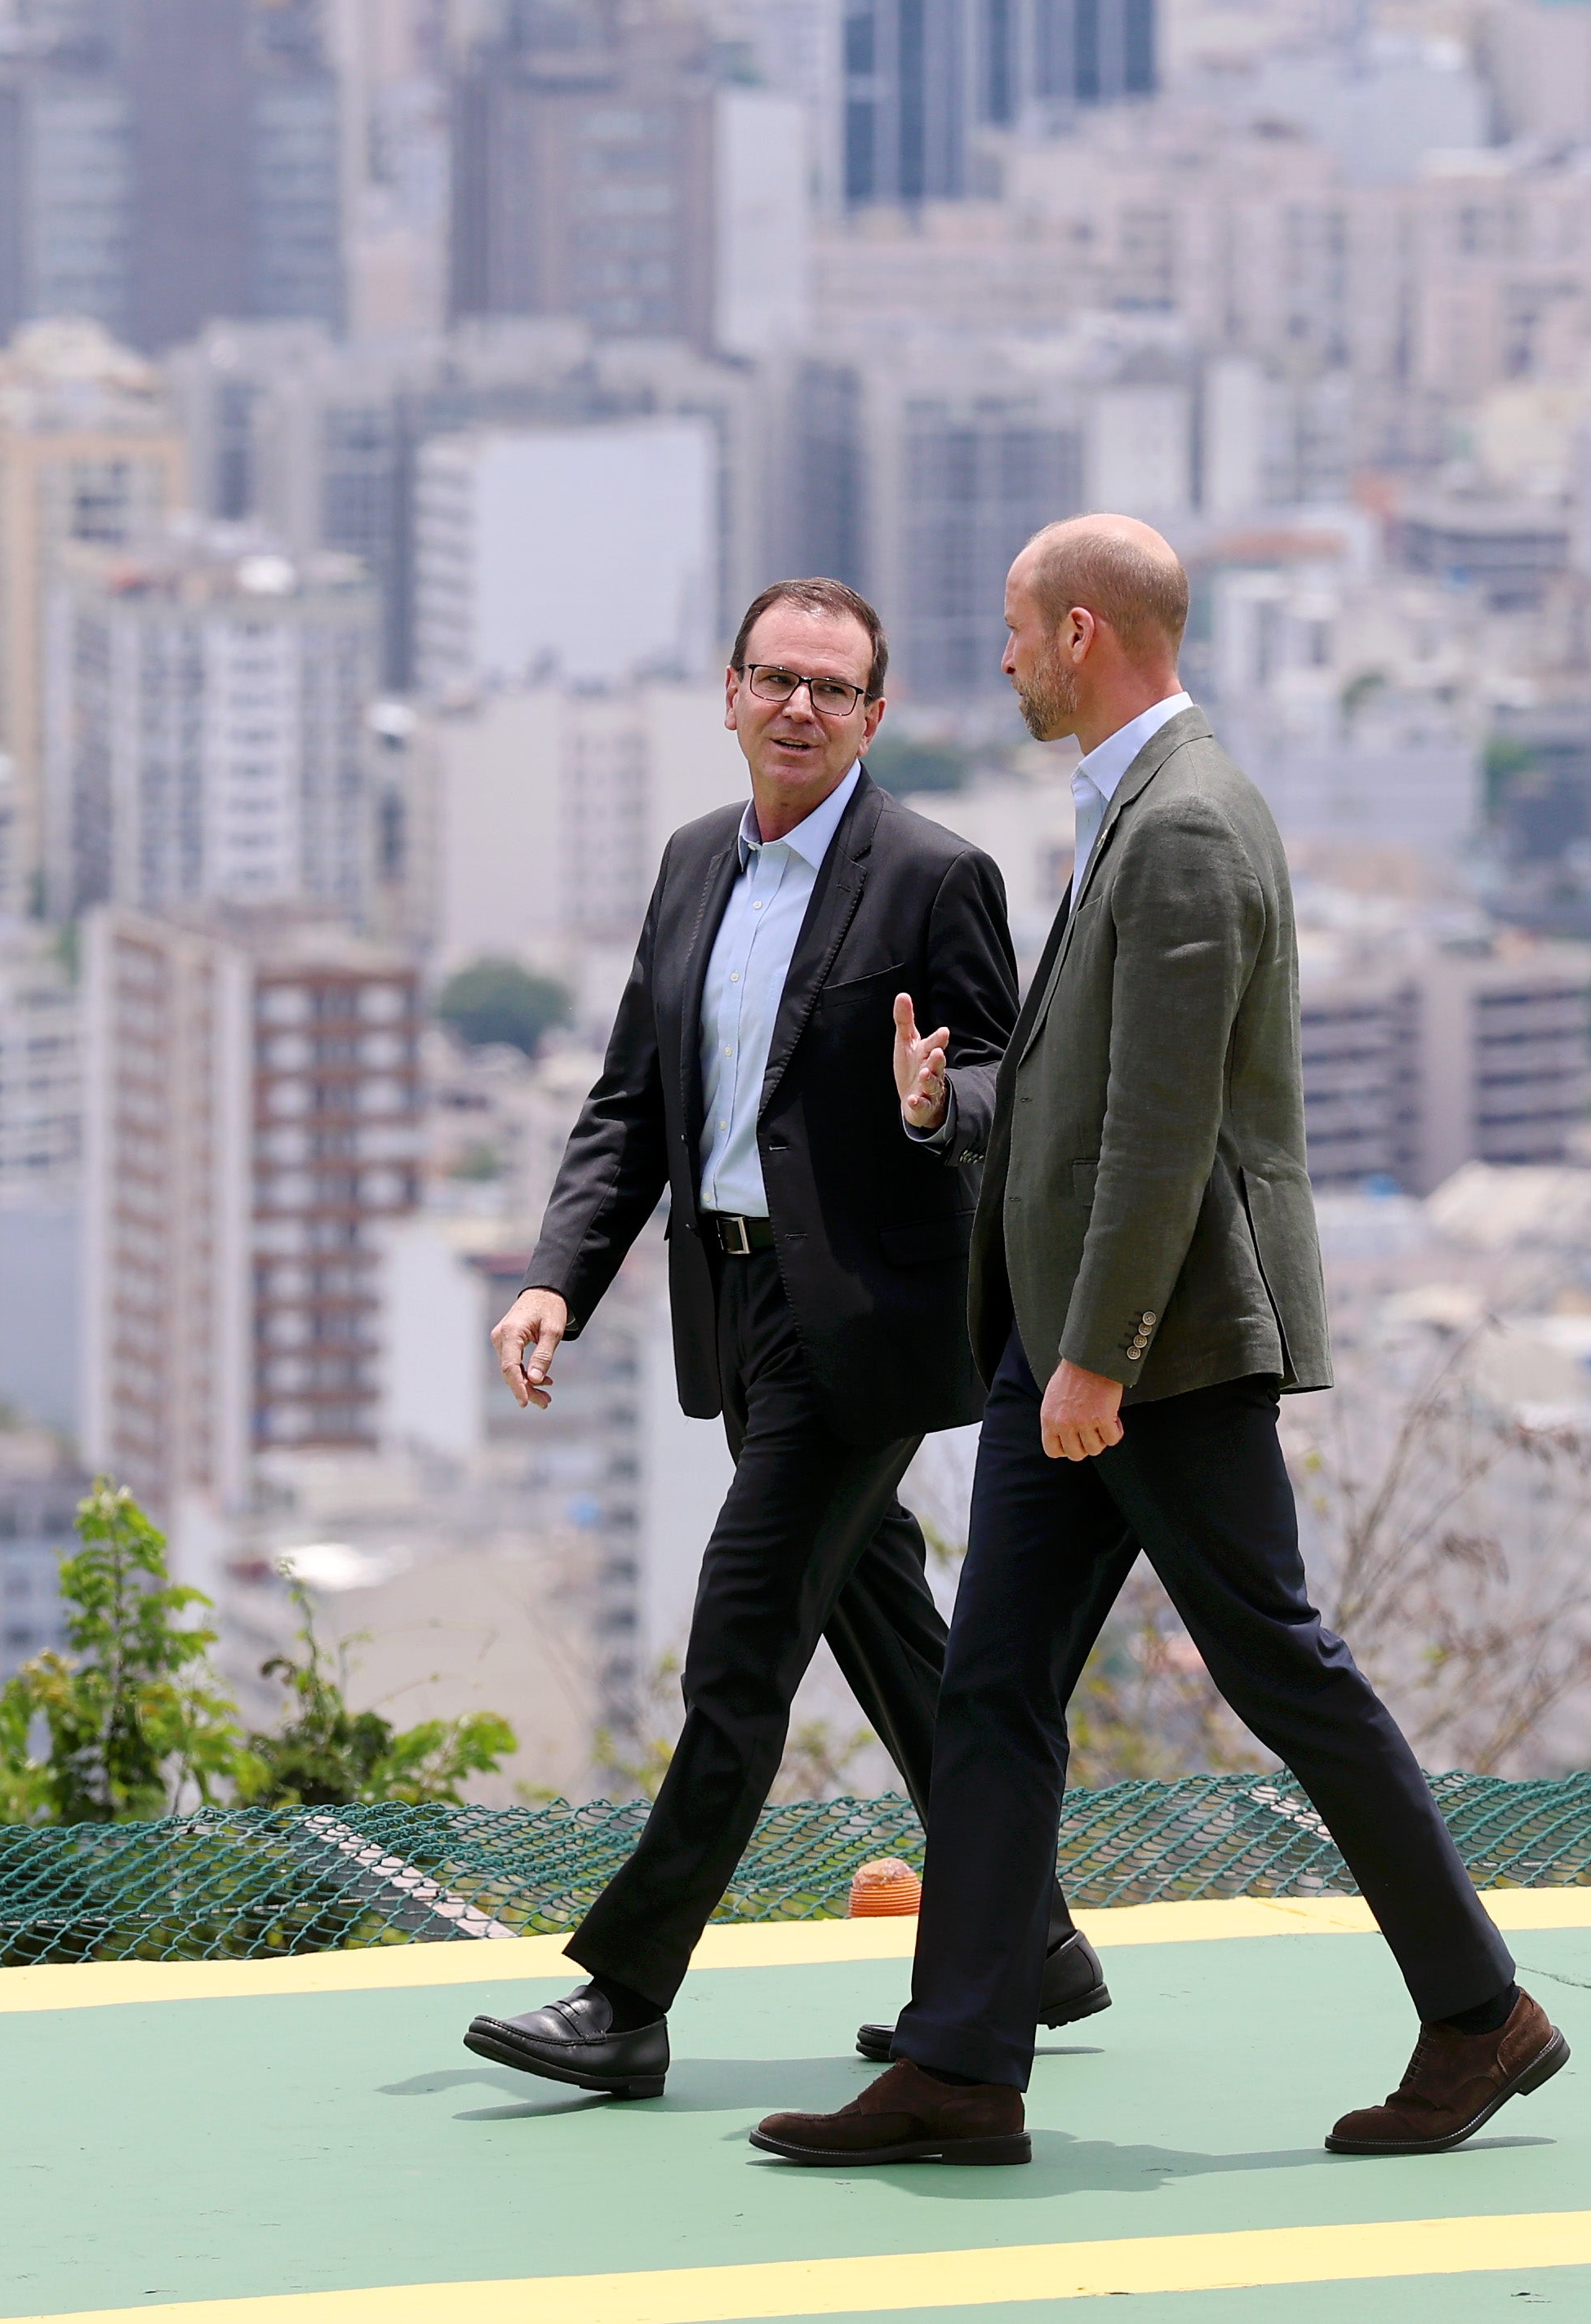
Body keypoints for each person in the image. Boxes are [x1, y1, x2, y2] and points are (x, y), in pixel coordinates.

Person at [752, 516, 1570, 2172]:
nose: (994, 662)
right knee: (990, 1690)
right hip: (1079, 1338)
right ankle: (963, 2065)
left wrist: (1100, 1357)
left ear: (1077, 631)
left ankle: (1480, 2013)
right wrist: (959, 1102)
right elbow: (1080, 1093)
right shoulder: (1133, 800)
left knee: (1282, 1667)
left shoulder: (1186, 822)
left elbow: (1166, 1126)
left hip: (1158, 1349)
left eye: (1006, 632)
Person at [463, 577, 1108, 2101]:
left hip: (869, 1328)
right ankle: (1039, 1945)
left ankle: (625, 1997)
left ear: (874, 716)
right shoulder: (693, 864)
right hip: (733, 1308)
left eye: (833, 688)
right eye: (776, 680)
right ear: (730, 692)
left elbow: (1017, 1084)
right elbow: (635, 1102)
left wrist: (935, 1103)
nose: (800, 708)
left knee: (740, 1646)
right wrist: (561, 1274)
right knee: (884, 1631)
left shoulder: (935, 876)